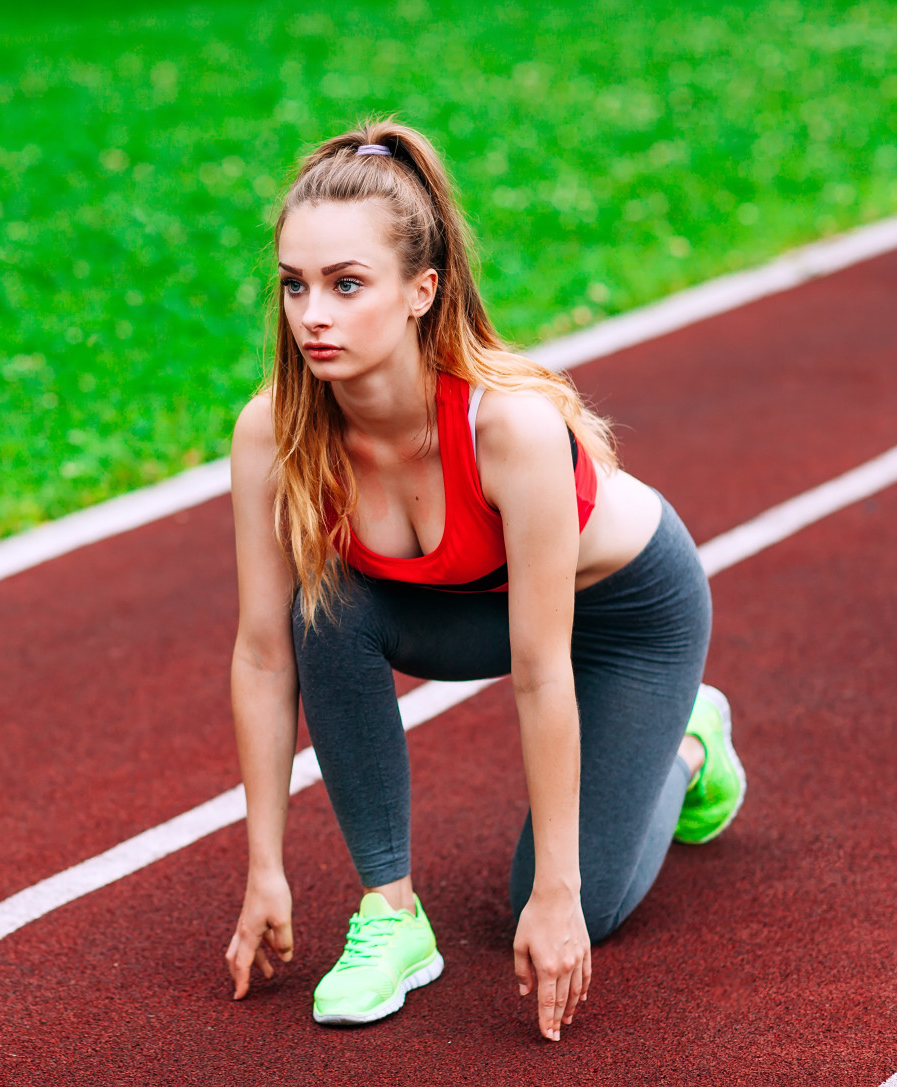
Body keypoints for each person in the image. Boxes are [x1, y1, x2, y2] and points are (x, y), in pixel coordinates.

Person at [221, 119, 748, 1042]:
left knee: (562, 905)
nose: (315, 314)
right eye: (296, 285)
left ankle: (688, 740)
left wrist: (558, 894)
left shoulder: (511, 429)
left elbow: (543, 672)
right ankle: (390, 913)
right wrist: (264, 865)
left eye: (349, 286)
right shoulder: (272, 433)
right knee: (323, 607)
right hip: (473, 604)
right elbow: (265, 656)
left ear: (422, 290)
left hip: (624, 616)